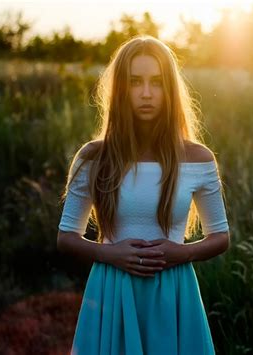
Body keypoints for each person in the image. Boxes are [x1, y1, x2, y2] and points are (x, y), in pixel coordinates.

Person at [57, 35, 231, 355]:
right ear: (121, 89)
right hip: (112, 291)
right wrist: (110, 254)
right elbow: (66, 236)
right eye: (135, 82)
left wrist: (183, 253)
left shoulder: (197, 159)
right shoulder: (94, 157)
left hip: (173, 293)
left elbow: (220, 236)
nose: (147, 94)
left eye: (157, 82)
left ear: (171, 90)